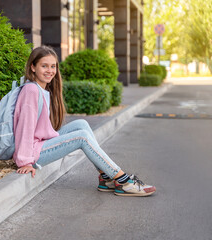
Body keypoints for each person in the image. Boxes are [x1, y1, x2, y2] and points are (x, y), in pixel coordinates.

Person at [13, 45, 156, 197]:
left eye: (53, 66)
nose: (50, 70)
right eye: (44, 66)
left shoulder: (41, 89)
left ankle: (105, 177)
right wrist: (25, 162)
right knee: (82, 137)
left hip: (40, 144)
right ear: (33, 67)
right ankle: (124, 181)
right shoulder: (31, 90)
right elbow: (25, 127)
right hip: (34, 153)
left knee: (81, 124)